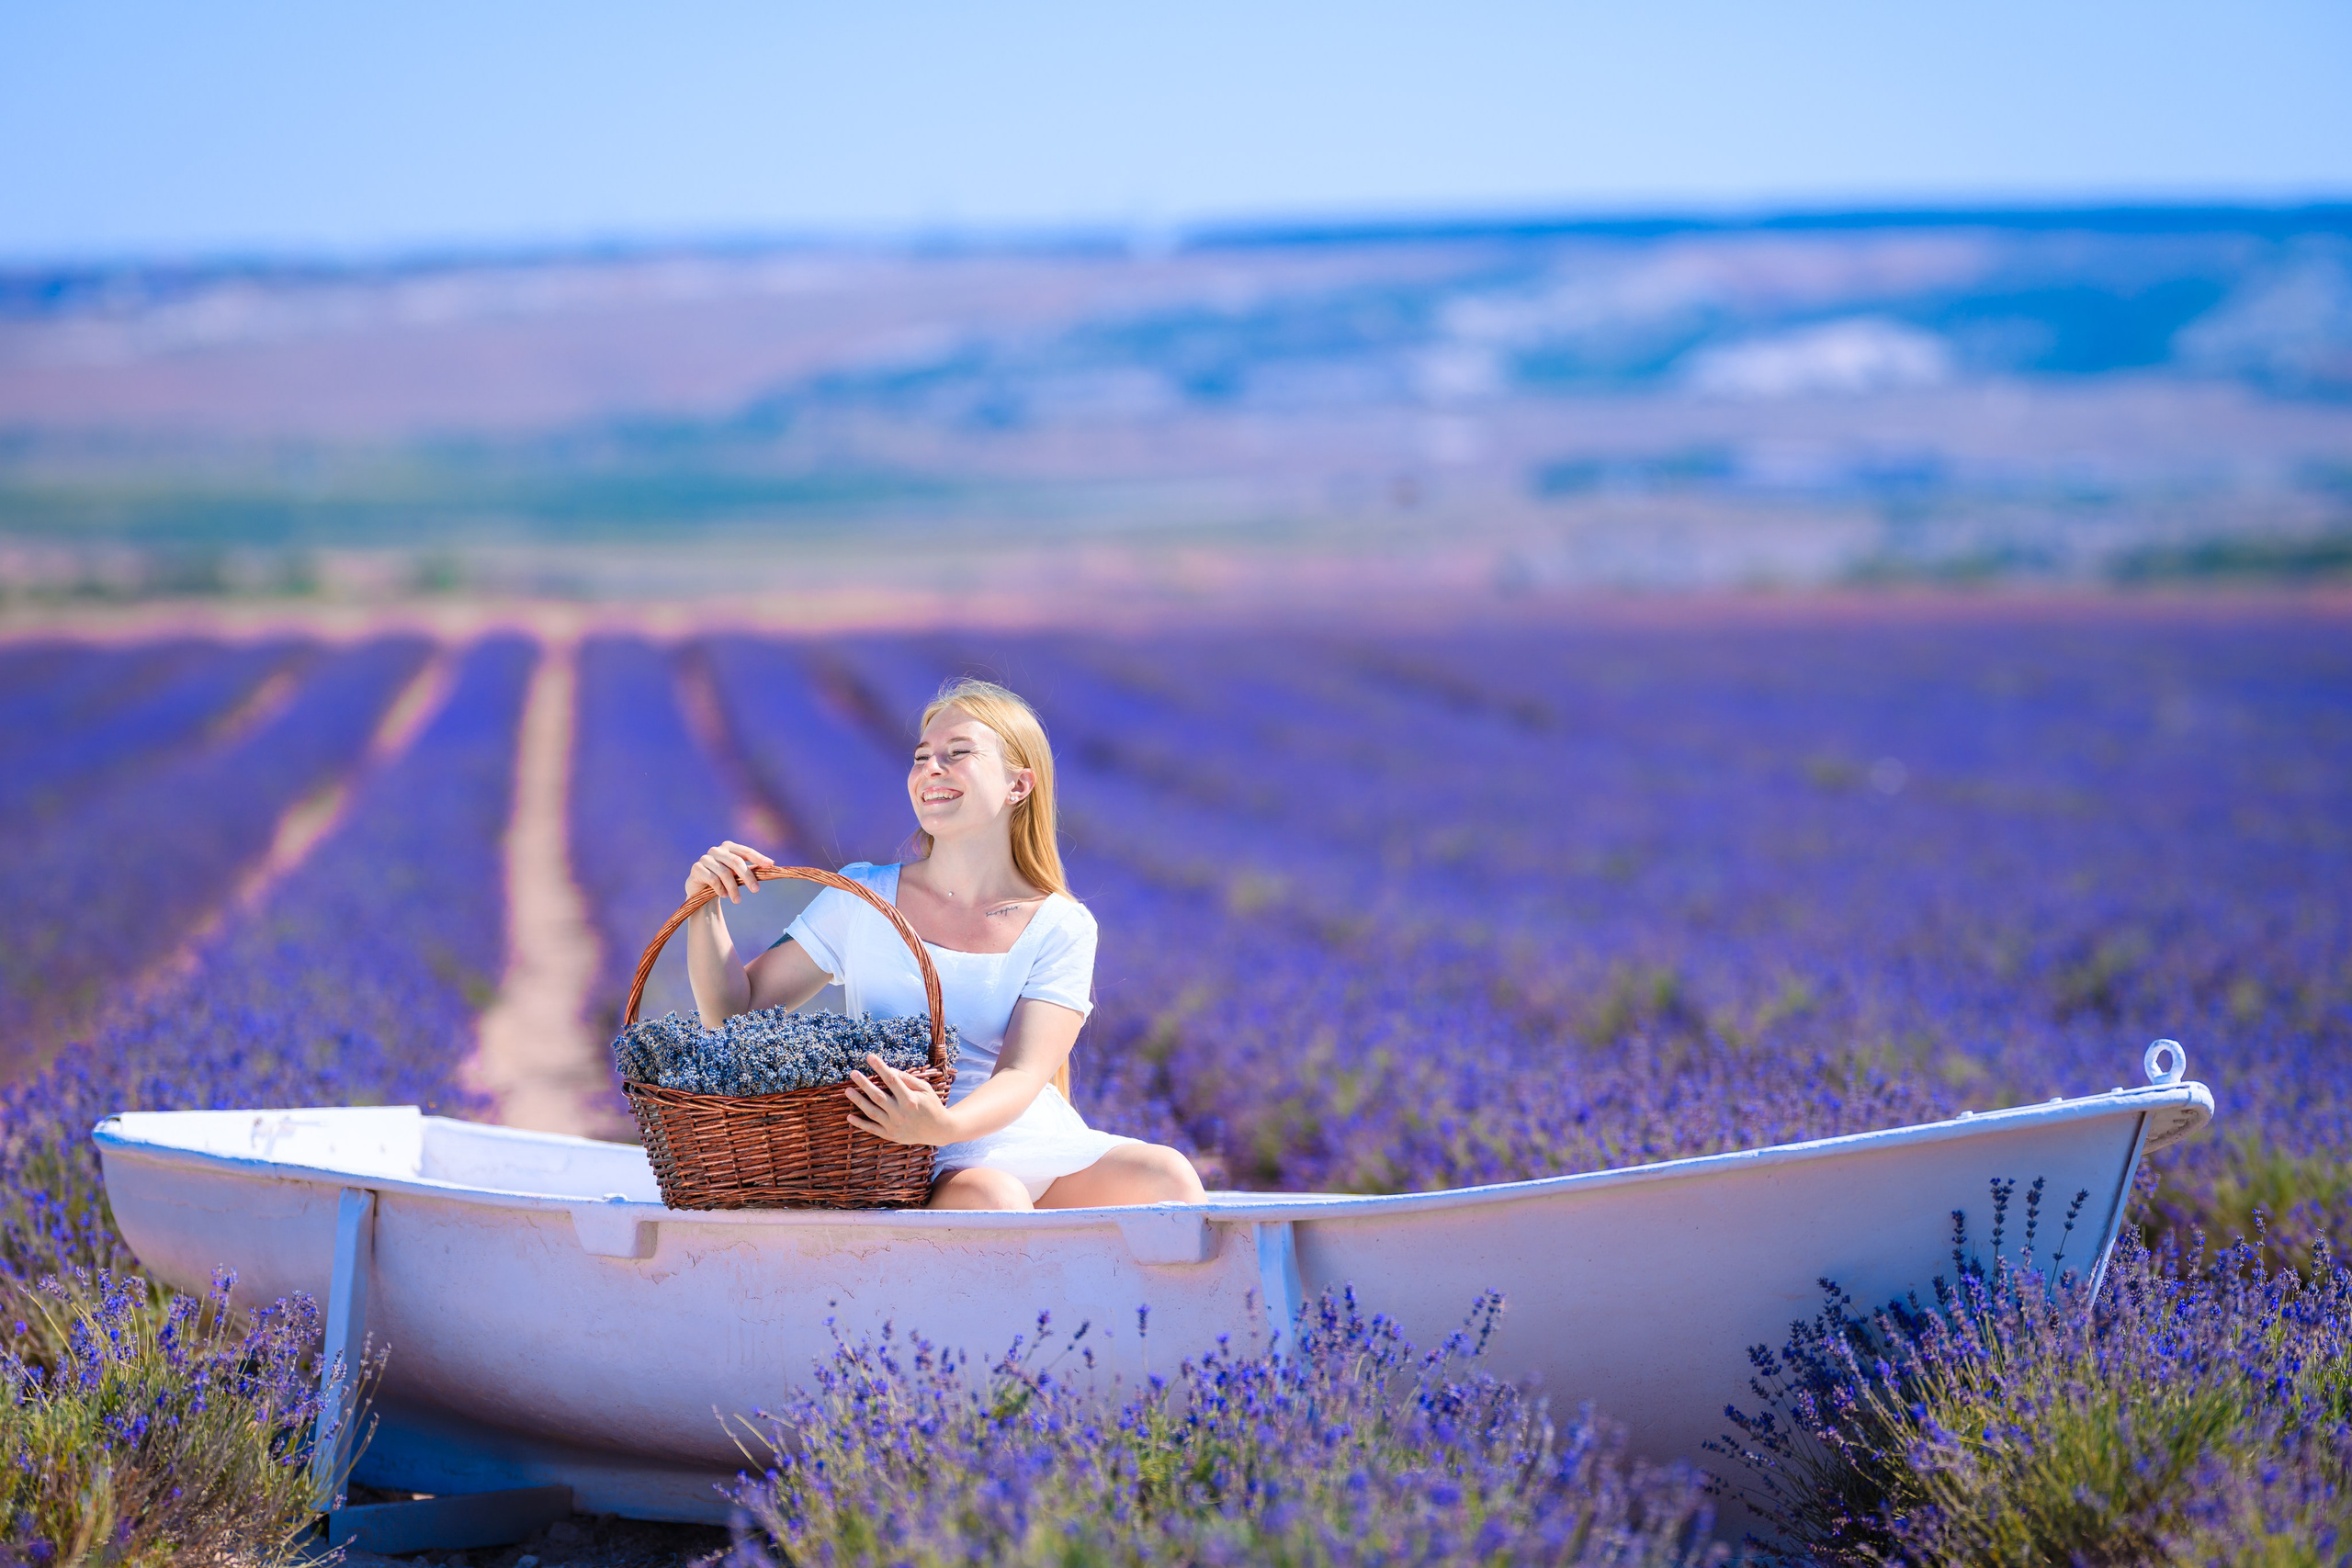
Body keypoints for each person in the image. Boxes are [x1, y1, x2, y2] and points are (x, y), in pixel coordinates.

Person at [681, 676, 1207, 1212]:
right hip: (901, 1155)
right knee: (994, 1198)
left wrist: (944, 1124)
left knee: (1169, 1175)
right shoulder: (864, 896)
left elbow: (1023, 1073)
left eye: (958, 754)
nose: (931, 769)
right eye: (921, 756)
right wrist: (703, 910)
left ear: (1018, 786)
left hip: (1012, 1135)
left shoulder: (1062, 925)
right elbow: (735, 1015)